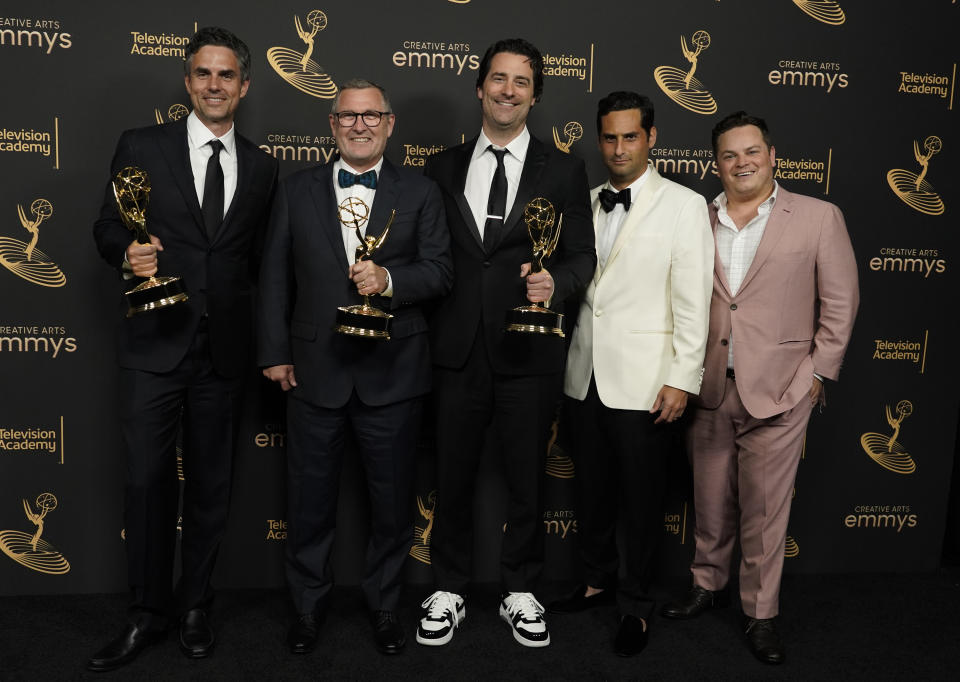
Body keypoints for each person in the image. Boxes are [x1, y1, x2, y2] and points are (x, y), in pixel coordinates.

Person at [88, 27, 278, 672]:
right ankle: (147, 613)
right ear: (188, 81)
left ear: (244, 86)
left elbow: (263, 265)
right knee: (146, 483)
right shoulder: (141, 146)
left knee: (210, 487)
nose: (215, 85)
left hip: (223, 354)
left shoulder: (263, 166)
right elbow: (107, 226)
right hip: (153, 346)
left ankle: (196, 605)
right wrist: (127, 252)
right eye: (203, 74)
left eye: (227, 75)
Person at [257, 79, 452, 656]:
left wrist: (391, 281)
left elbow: (441, 272)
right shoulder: (295, 190)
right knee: (308, 502)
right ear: (332, 124)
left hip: (393, 374)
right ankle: (307, 608)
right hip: (313, 371)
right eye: (348, 116)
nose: (360, 125)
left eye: (372, 116)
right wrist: (274, 350)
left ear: (390, 124)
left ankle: (386, 607)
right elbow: (272, 277)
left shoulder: (420, 192)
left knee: (392, 507)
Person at [660, 111, 859, 665]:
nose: (741, 162)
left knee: (766, 512)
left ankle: (760, 614)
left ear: (773, 156)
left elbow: (840, 305)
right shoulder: (695, 217)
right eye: (729, 154)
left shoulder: (819, 218)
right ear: (715, 163)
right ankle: (706, 586)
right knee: (709, 501)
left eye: (752, 152)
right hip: (707, 387)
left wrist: (817, 376)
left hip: (780, 389)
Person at [418, 38, 596, 649]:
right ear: (479, 88)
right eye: (498, 78)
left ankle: (521, 588)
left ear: (536, 94)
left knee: (527, 478)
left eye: (522, 82)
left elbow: (581, 255)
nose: (508, 90)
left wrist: (560, 282)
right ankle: (448, 586)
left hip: (529, 349)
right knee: (452, 474)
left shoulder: (566, 169)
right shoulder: (440, 167)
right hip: (455, 348)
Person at [553, 91, 713, 656]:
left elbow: (694, 300)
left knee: (643, 502)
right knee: (591, 493)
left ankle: (636, 605)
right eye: (609, 137)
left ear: (652, 137)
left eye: (630, 136)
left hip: (648, 380)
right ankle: (597, 581)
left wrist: (683, 377)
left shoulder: (685, 205)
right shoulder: (585, 199)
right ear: (599, 141)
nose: (618, 148)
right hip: (584, 374)